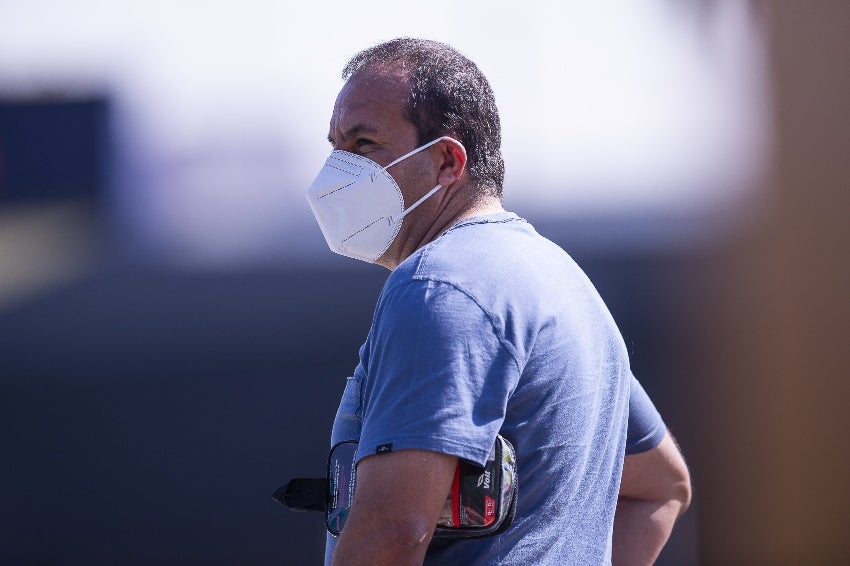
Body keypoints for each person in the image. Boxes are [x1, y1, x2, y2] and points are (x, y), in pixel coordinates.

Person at [305, 37, 691, 565]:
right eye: (334, 147)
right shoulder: (563, 282)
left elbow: (392, 533)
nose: (337, 172)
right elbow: (660, 486)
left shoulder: (437, 287)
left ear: (446, 161)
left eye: (364, 143)